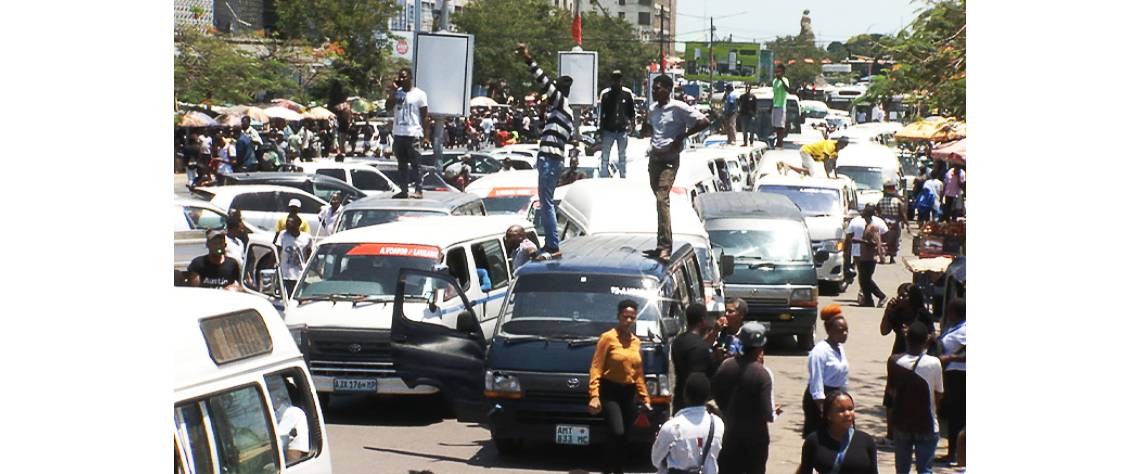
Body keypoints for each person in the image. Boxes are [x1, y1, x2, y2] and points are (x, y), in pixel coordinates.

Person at [516, 43, 574, 260]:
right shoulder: (561, 113)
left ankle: (552, 245)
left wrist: (528, 58)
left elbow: (543, 82)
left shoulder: (562, 104)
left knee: (546, 201)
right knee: (546, 200)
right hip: (550, 158)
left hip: (550, 158)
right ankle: (551, 243)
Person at [646, 74, 710, 260]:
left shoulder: (679, 108)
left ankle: (666, 246)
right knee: (659, 202)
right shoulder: (652, 110)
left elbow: (704, 122)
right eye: (653, 88)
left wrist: (682, 136)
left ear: (667, 89)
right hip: (655, 160)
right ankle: (660, 244)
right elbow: (652, 129)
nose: (654, 91)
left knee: (662, 198)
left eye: (658, 88)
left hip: (669, 161)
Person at [588, 300, 653, 474]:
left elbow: (638, 373)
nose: (629, 321)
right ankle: (608, 468)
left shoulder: (636, 342)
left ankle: (617, 469)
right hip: (610, 391)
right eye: (626, 317)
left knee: (624, 436)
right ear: (618, 317)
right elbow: (596, 367)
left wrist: (645, 397)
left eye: (632, 318)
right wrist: (594, 394)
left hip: (629, 392)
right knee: (617, 431)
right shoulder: (608, 338)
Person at [712, 321, 776, 473]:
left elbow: (715, 392)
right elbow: (768, 414)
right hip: (755, 439)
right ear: (760, 347)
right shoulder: (762, 374)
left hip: (728, 434)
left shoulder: (726, 366)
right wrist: (773, 412)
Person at [886, 322, 943, 474]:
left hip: (902, 423)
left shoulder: (894, 361)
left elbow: (891, 392)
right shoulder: (934, 363)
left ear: (906, 338)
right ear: (926, 340)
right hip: (927, 424)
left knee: (902, 470)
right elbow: (939, 393)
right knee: (925, 470)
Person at [651, 373, 724, 474]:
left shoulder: (671, 427)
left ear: (685, 395)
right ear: (707, 397)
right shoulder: (718, 424)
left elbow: (655, 461)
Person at [796, 391, 878, 474]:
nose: (847, 414)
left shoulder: (865, 440)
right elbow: (805, 471)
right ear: (828, 415)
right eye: (841, 410)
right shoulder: (815, 440)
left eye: (850, 409)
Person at [803, 304, 850, 439]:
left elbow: (843, 377)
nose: (845, 333)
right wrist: (824, 410)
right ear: (829, 331)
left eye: (846, 329)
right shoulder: (820, 351)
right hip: (821, 400)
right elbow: (816, 383)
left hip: (836, 397)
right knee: (820, 438)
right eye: (841, 330)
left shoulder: (839, 348)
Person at [386, 67, 431, 199]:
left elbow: (425, 116)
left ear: (410, 78)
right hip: (399, 133)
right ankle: (404, 190)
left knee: (416, 164)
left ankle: (418, 189)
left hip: (413, 133)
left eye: (404, 77)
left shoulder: (419, 94)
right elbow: (388, 107)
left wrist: (427, 137)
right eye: (400, 76)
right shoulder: (397, 93)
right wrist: (393, 91)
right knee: (401, 164)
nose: (401, 79)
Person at [936, 299, 966, 465]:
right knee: (953, 416)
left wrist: (951, 357)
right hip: (950, 375)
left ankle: (956, 454)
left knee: (957, 416)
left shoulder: (965, 330)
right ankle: (952, 451)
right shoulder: (953, 328)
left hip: (960, 377)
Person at [671, 304, 715, 414]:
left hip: (679, 402)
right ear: (702, 321)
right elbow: (699, 378)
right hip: (695, 407)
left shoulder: (678, 341)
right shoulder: (700, 347)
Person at [845, 205, 888, 308]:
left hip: (869, 257)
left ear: (868, 214)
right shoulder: (867, 225)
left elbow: (875, 243)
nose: (862, 214)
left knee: (866, 279)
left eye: (864, 212)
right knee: (863, 280)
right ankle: (868, 301)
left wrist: (859, 241)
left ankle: (881, 296)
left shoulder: (873, 227)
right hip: (864, 256)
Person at [597, 70, 636, 178]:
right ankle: (604, 176)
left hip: (622, 130)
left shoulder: (627, 93)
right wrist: (600, 129)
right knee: (605, 155)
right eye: (614, 78)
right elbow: (601, 113)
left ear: (621, 80)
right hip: (608, 129)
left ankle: (623, 176)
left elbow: (631, 111)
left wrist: (632, 125)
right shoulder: (605, 94)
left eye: (618, 78)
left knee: (622, 156)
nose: (616, 81)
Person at [275, 214, 313, 297]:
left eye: (290, 223)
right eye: (287, 223)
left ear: (298, 224)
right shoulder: (282, 235)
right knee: (287, 296)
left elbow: (309, 253)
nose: (287, 226)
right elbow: (277, 250)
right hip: (286, 274)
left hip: (300, 273)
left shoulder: (307, 237)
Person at [876, 181, 907, 263]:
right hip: (895, 223)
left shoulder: (881, 201)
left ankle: (882, 255)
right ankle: (892, 258)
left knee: (883, 240)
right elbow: (902, 214)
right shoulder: (898, 201)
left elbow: (877, 213)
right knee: (895, 240)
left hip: (884, 223)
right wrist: (906, 223)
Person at [710, 297, 747, 363]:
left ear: (741, 315)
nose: (726, 314)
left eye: (730, 311)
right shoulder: (719, 331)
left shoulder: (747, 334)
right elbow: (703, 348)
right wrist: (714, 331)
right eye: (726, 311)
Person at [772, 65, 791, 148]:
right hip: (775, 105)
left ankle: (780, 142)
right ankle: (777, 140)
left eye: (779, 72)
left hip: (781, 105)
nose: (777, 73)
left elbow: (787, 90)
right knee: (776, 125)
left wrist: (781, 80)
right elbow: (774, 94)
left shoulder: (785, 80)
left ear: (783, 72)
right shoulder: (774, 81)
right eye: (776, 72)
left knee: (781, 125)